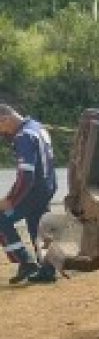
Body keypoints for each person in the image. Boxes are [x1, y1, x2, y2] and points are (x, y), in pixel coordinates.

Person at [0, 103, 57, 284]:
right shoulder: (37, 127)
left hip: (32, 192)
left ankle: (25, 262)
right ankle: (48, 269)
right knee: (37, 227)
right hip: (46, 187)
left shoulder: (24, 136)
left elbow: (26, 176)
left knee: (2, 219)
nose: (3, 133)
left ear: (6, 119)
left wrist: (11, 200)